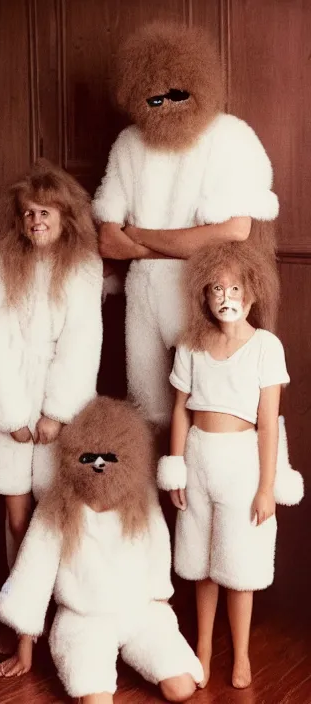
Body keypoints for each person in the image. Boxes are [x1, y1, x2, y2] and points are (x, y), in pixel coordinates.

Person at [93, 22, 279, 429]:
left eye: (176, 93)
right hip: (143, 302)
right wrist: (157, 246)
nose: (166, 105)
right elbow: (108, 241)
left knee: (207, 411)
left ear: (198, 84)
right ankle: (152, 492)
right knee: (147, 412)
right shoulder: (128, 144)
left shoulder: (227, 136)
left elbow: (234, 230)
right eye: (154, 97)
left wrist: (139, 238)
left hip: (201, 292)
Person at [0, 159, 103, 677]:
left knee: (54, 520)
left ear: (65, 216)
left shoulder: (84, 266)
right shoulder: (1, 264)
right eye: (28, 214)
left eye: (45, 213)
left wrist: (55, 412)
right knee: (16, 518)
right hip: (10, 404)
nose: (36, 222)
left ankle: (53, 619)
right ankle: (20, 615)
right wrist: (10, 414)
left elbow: (82, 342)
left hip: (56, 407)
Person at [157, 241, 303, 689]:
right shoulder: (191, 345)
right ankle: (202, 646)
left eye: (235, 288)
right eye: (216, 288)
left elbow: (268, 421)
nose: (226, 297)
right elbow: (181, 409)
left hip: (242, 462)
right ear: (204, 295)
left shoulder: (265, 347)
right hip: (199, 456)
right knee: (202, 561)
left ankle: (240, 654)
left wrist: (266, 486)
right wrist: (177, 466)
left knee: (238, 565)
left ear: (252, 294)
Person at [0, 396, 203, 702]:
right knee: (97, 700)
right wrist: (24, 647)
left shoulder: (140, 501)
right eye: (89, 456)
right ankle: (99, 662)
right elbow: (33, 573)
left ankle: (134, 656)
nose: (99, 464)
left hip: (138, 612)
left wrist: (160, 601)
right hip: (85, 620)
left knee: (182, 688)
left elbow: (159, 549)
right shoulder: (58, 507)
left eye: (110, 456)